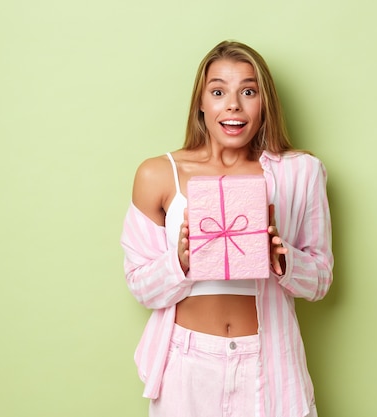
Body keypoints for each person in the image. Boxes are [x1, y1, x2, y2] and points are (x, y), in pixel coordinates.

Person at [120, 40, 334, 417]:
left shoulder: (300, 173)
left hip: (268, 363)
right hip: (185, 365)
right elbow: (140, 284)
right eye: (218, 91)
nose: (233, 104)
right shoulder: (157, 174)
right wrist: (181, 261)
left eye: (248, 91)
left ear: (263, 102)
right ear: (200, 103)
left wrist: (282, 261)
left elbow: (320, 280)